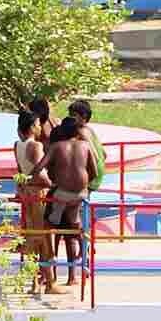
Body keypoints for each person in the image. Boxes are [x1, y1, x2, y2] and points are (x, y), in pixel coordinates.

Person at [41, 116, 97, 286]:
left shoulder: (57, 146)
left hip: (60, 194)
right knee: (72, 234)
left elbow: (41, 166)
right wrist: (83, 185)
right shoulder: (85, 145)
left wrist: (34, 179)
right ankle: (73, 275)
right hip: (79, 195)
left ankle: (50, 275)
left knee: (50, 230)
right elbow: (94, 170)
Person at [14, 109, 54, 296]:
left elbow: (21, 171)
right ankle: (49, 283)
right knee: (43, 238)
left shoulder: (17, 146)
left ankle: (34, 282)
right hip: (39, 194)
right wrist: (54, 185)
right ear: (31, 126)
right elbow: (41, 173)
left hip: (27, 195)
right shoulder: (35, 146)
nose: (39, 127)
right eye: (37, 124)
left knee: (31, 237)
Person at [69, 99, 105, 193]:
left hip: (93, 174)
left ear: (84, 116)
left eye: (73, 115)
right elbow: (104, 154)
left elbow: (95, 157)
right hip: (99, 172)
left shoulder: (81, 132)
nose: (70, 118)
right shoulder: (89, 129)